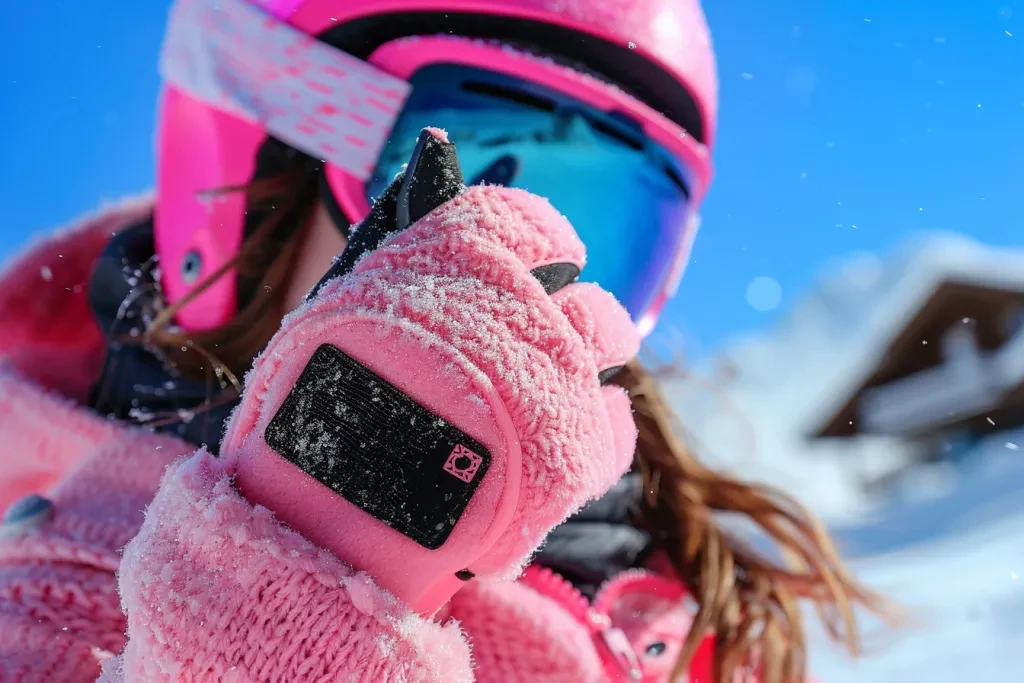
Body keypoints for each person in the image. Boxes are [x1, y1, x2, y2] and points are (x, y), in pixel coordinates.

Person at [0, 0, 896, 681]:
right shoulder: (70, 577)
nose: (524, 266)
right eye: (450, 180)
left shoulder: (670, 601)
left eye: (616, 220)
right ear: (253, 158)